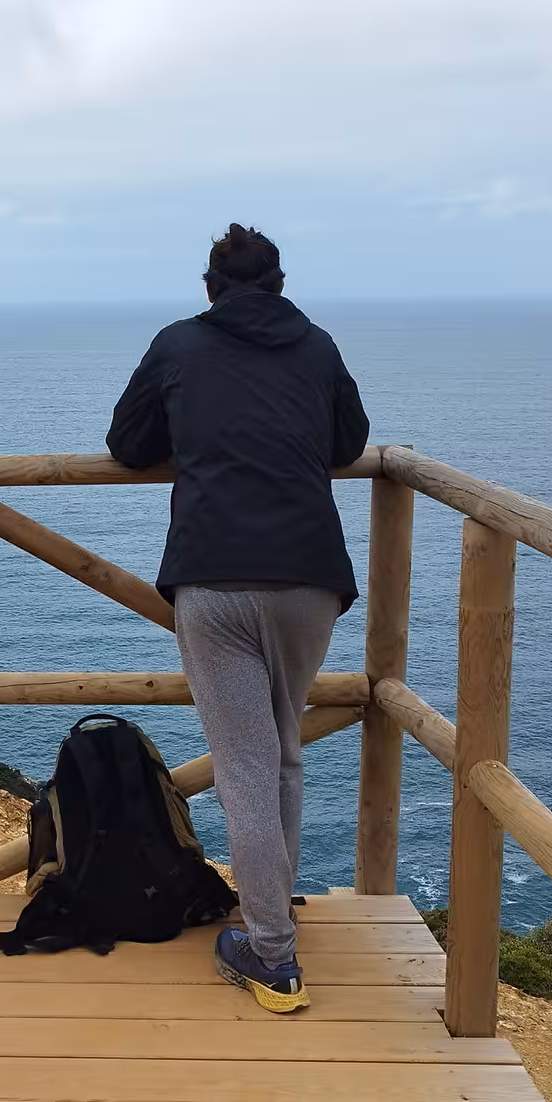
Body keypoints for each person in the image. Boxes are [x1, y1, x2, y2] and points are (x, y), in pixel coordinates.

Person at [107, 224, 369, 1013]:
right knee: (282, 752)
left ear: (209, 285)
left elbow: (126, 445)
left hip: (214, 578)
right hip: (309, 576)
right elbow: (350, 444)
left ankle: (271, 955)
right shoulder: (317, 345)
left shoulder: (179, 345)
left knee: (246, 767)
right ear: (281, 284)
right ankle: (274, 910)